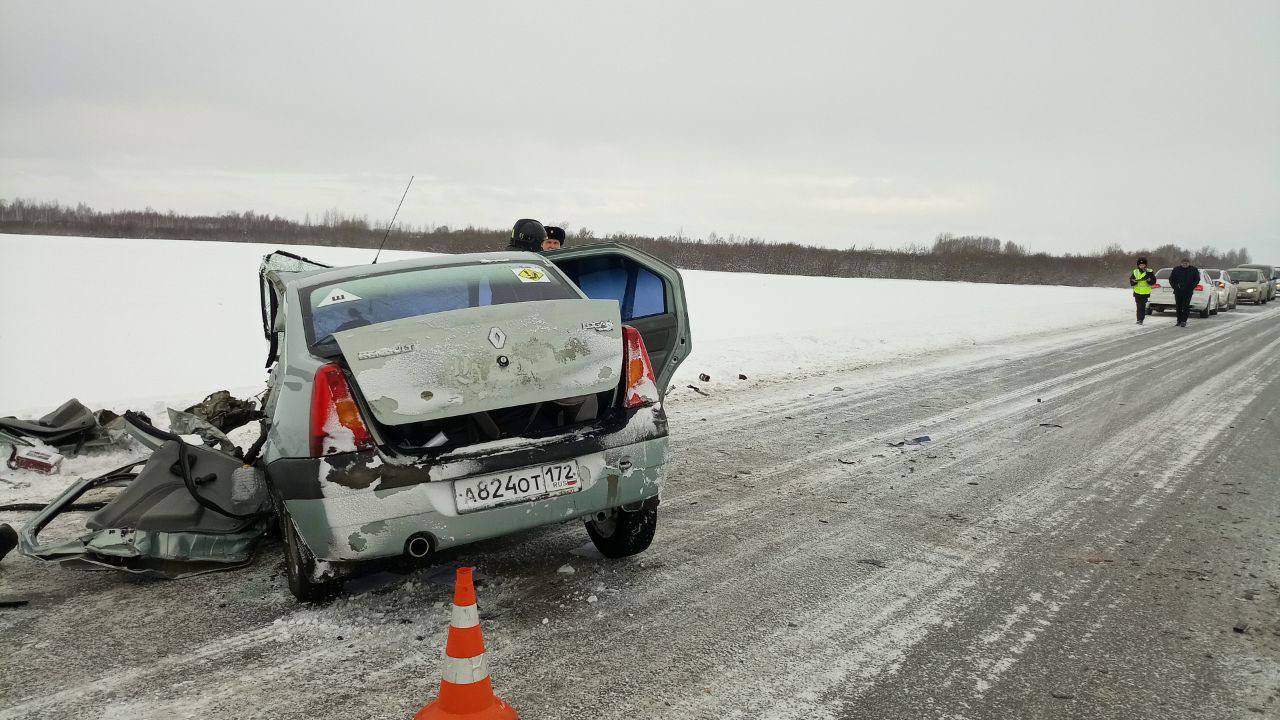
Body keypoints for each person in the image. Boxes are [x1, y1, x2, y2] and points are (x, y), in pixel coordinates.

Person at [1168, 256, 1200, 327]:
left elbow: (1197, 279)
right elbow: (1171, 279)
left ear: (1189, 263)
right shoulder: (1176, 269)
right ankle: (1179, 320)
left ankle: (1184, 321)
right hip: (1178, 291)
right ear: (1181, 263)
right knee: (1178, 306)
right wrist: (1175, 287)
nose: (1185, 264)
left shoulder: (1193, 270)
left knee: (1186, 306)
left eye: (1186, 263)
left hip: (1188, 291)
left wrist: (1191, 287)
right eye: (1183, 263)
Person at [1128, 257, 1156, 325]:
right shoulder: (1135, 271)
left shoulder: (1149, 271)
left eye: (1143, 265)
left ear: (1145, 265)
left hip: (1145, 292)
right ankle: (1138, 319)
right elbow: (1131, 281)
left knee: (1142, 306)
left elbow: (1153, 281)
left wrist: (1149, 281)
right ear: (1138, 265)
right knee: (1138, 306)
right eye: (1140, 265)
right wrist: (1134, 281)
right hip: (1137, 292)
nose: (1142, 266)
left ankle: (1141, 319)